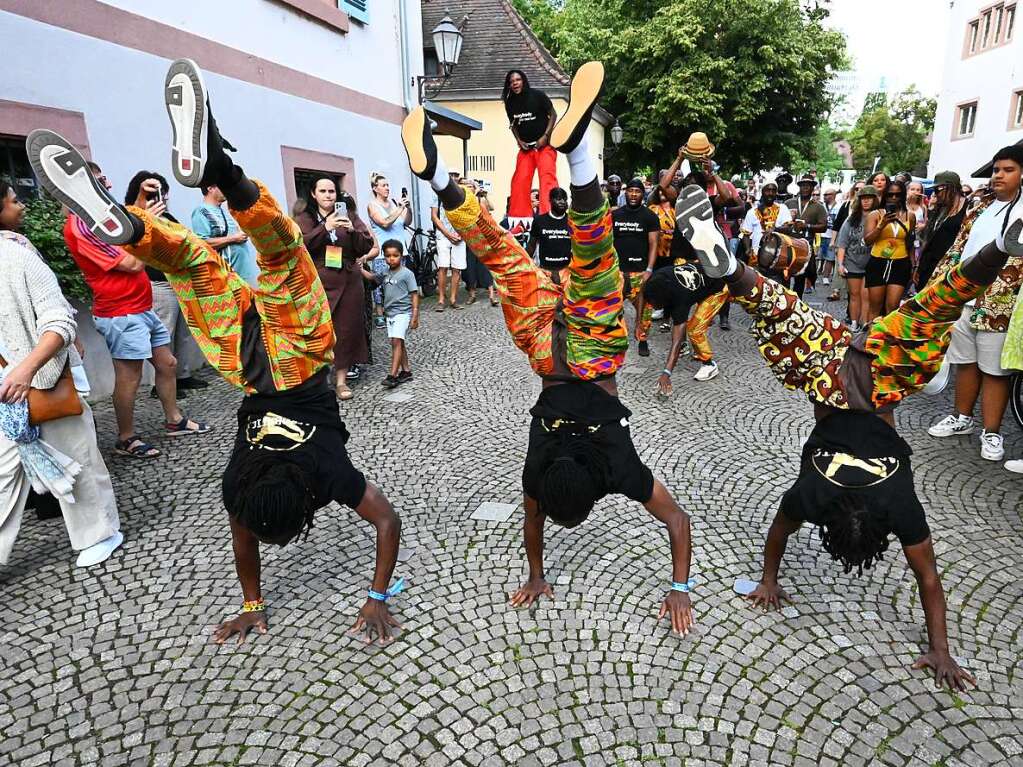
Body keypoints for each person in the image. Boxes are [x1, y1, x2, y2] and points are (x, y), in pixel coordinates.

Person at [28, 59, 403, 645]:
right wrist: (368, 600)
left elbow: (385, 521)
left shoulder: (315, 478)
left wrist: (259, 604)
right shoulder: (241, 485)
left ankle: (218, 177)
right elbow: (253, 531)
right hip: (247, 361)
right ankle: (136, 223)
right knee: (194, 266)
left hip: (297, 354)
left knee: (279, 256)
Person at [674, 179, 1022, 691]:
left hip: (883, 377)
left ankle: (997, 250)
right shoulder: (814, 496)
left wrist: (941, 649)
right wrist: (770, 578)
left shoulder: (898, 505)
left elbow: (929, 580)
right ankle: (738, 275)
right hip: (828, 377)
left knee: (934, 310)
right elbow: (781, 531)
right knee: (782, 317)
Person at [400, 62, 695, 634]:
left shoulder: (618, 469)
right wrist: (535, 570)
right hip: (544, 347)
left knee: (591, 253)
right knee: (500, 252)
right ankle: (438, 175)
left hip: (589, 350)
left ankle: (577, 153)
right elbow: (537, 518)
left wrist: (677, 586)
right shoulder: (541, 471)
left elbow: (676, 522)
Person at [0, 178, 123, 569]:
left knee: (76, 453)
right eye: (14, 199)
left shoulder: (18, 255)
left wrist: (28, 367)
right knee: (6, 474)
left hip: (37, 381)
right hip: (14, 385)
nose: (21, 206)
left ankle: (100, 534)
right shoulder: (17, 254)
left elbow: (56, 317)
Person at [63, 161, 208, 458]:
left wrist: (142, 201)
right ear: (82, 186)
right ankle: (126, 438)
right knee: (129, 376)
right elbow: (131, 262)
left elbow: (132, 227)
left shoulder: (106, 215)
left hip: (141, 306)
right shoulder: (81, 225)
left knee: (167, 364)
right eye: (101, 181)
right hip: (120, 312)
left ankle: (174, 420)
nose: (110, 186)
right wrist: (150, 227)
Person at [927, 146, 1023, 465]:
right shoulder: (980, 203)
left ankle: (992, 431)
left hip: (1000, 303)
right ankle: (961, 417)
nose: (998, 175)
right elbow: (958, 247)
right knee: (964, 362)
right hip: (964, 295)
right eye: (996, 169)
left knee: (994, 371)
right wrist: (937, 286)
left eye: (1007, 169)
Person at [125, 171, 211, 400]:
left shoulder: (168, 217)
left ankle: (181, 375)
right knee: (164, 335)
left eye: (162, 193)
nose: (161, 199)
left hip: (179, 282)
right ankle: (159, 384)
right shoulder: (134, 218)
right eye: (154, 194)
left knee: (184, 332)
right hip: (159, 284)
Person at [295, 175, 373, 401]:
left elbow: (366, 245)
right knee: (316, 329)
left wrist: (352, 232)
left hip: (348, 280)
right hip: (318, 279)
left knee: (346, 330)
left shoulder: (349, 215)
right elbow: (301, 245)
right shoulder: (305, 218)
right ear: (313, 194)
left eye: (332, 191)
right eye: (323, 191)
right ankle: (317, 378)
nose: (328, 196)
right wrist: (325, 227)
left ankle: (340, 380)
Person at [643, 259, 726, 385]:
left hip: (718, 288)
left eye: (656, 305)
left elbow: (675, 340)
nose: (654, 307)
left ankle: (709, 364)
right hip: (703, 279)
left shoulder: (680, 299)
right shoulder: (656, 278)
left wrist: (667, 372)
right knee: (682, 321)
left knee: (694, 329)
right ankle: (685, 346)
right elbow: (641, 296)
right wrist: (639, 322)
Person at [358, 240, 419, 389]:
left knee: (396, 342)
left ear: (401, 256)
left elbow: (414, 294)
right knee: (399, 342)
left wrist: (415, 315)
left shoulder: (407, 274)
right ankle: (406, 371)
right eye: (388, 256)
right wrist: (359, 269)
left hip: (403, 313)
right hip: (390, 314)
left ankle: (392, 375)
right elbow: (372, 277)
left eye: (395, 255)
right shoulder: (386, 272)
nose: (391, 259)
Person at [503, 69, 558, 230]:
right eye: (511, 81)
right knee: (520, 180)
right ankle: (520, 221)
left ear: (524, 81)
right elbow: (513, 125)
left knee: (547, 178)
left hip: (544, 146)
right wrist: (519, 140)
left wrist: (546, 136)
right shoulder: (510, 103)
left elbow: (553, 114)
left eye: (518, 80)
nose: (515, 83)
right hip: (526, 149)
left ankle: (550, 215)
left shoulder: (538, 95)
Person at [612, 178, 661, 357]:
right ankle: (614, 340)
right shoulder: (615, 215)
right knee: (612, 309)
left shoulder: (649, 216)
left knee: (645, 309)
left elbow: (654, 243)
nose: (633, 194)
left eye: (637, 191)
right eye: (631, 190)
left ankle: (642, 339)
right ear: (626, 193)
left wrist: (649, 269)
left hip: (640, 272)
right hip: (617, 272)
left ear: (643, 194)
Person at [863, 179, 915, 319]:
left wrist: (913, 265)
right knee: (875, 306)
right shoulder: (875, 215)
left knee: (893, 306)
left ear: (903, 196)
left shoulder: (910, 216)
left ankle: (887, 339)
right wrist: (881, 225)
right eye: (890, 194)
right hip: (878, 261)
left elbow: (910, 241)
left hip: (900, 262)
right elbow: (867, 240)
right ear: (885, 195)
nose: (893, 198)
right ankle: (871, 338)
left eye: (897, 195)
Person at [192, 181, 259, 286]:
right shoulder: (201, 211)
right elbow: (202, 244)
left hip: (245, 278)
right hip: (230, 281)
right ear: (210, 188)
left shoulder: (225, 211)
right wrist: (233, 238)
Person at [366, 173, 411, 328]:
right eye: (383, 185)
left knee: (400, 283)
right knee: (380, 284)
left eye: (387, 185)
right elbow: (385, 223)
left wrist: (407, 208)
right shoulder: (373, 205)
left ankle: (398, 312)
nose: (387, 188)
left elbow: (406, 221)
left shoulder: (394, 203)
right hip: (382, 254)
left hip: (400, 251)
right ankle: (379, 315)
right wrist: (399, 209)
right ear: (375, 188)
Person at [834, 185, 877, 331]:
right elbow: (842, 243)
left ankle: (863, 323)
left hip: (871, 261)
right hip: (852, 261)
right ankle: (853, 323)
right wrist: (840, 264)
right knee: (854, 294)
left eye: (869, 198)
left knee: (866, 295)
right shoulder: (852, 219)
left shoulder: (879, 216)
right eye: (863, 199)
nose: (866, 202)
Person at [915, 171, 967, 289]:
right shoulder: (939, 208)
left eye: (937, 190)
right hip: (927, 267)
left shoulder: (968, 208)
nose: (935, 194)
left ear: (949, 188)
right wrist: (918, 267)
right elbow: (928, 239)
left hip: (949, 270)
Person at [782, 174, 828, 298]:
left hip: (805, 245)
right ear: (799, 187)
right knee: (784, 274)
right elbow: (779, 222)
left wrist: (807, 226)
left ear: (813, 188)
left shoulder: (818, 206)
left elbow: (823, 226)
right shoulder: (788, 203)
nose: (805, 188)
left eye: (808, 186)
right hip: (787, 244)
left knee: (800, 276)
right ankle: (784, 301)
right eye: (803, 185)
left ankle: (797, 302)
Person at [431, 172, 466, 312]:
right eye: (450, 174)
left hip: (460, 236)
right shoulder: (438, 194)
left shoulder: (463, 194)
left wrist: (461, 234)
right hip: (443, 235)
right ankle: (440, 299)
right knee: (443, 267)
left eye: (456, 175)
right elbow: (434, 217)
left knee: (457, 268)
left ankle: (453, 299)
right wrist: (448, 234)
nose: (453, 177)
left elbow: (468, 216)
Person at [527, 187, 572, 280]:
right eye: (559, 199)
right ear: (550, 201)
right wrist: (524, 265)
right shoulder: (539, 221)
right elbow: (531, 246)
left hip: (567, 274)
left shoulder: (572, 221)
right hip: (545, 273)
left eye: (565, 199)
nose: (562, 202)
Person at [740, 180, 792, 259]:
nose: (770, 193)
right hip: (757, 256)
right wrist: (747, 249)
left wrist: (775, 229)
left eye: (773, 191)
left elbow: (788, 228)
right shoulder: (752, 212)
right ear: (762, 191)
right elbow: (746, 234)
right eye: (768, 190)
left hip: (779, 257)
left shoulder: (783, 208)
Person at [819, 188, 840, 291]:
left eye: (827, 194)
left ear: (833, 195)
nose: (825, 196)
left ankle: (826, 276)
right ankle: (823, 272)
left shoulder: (839, 207)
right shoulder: (822, 206)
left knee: (830, 257)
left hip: (833, 236)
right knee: (823, 255)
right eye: (824, 195)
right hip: (823, 235)